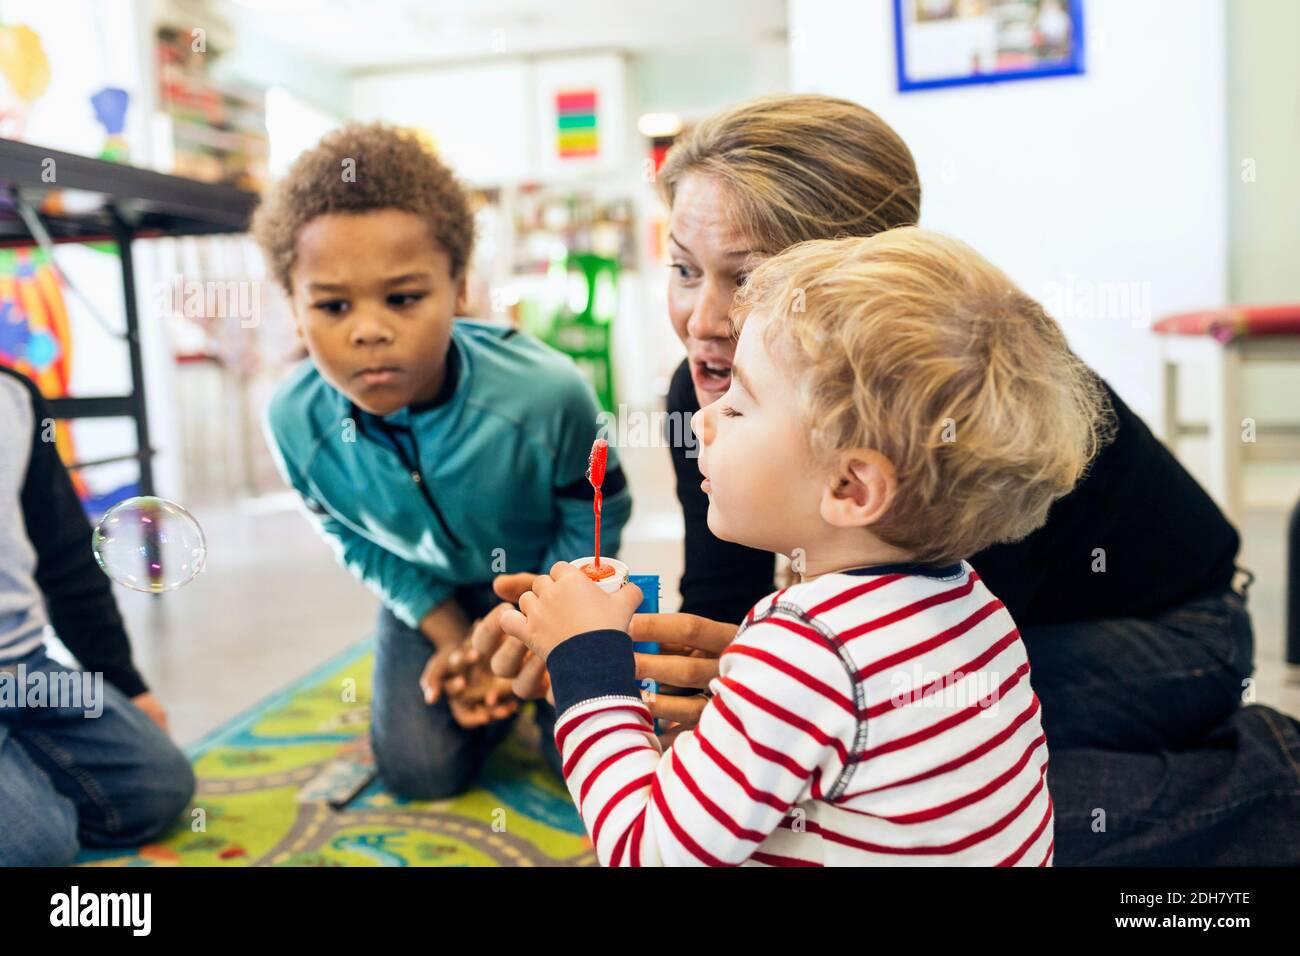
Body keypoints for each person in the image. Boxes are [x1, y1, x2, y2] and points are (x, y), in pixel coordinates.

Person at [474, 93, 1300, 865]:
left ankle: (1270, 778)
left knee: (954, 807)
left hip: (1171, 634)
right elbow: (733, 611)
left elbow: (905, 663)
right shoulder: (717, 388)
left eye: (753, 281)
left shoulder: (964, 410)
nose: (703, 322)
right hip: (957, 655)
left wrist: (741, 699)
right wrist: (599, 652)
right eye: (686, 270)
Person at [500, 228, 1106, 865]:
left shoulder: (806, 646)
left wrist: (586, 665)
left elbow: (643, 850)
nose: (703, 418)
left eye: (739, 407)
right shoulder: (979, 608)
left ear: (850, 484)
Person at [255, 123, 631, 797]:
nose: (368, 329)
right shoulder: (293, 420)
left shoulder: (547, 392)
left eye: (403, 298)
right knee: (420, 771)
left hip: (548, 582)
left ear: (460, 289)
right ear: (293, 306)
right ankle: (486, 696)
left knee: (588, 763)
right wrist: (455, 639)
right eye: (333, 305)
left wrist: (529, 634)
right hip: (430, 592)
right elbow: (348, 536)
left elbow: (598, 513)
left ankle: (517, 696)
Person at [0, 365, 195, 866]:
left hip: (25, 666)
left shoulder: (14, 397)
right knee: (37, 848)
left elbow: (65, 557)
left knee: (158, 788)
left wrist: (127, 682)